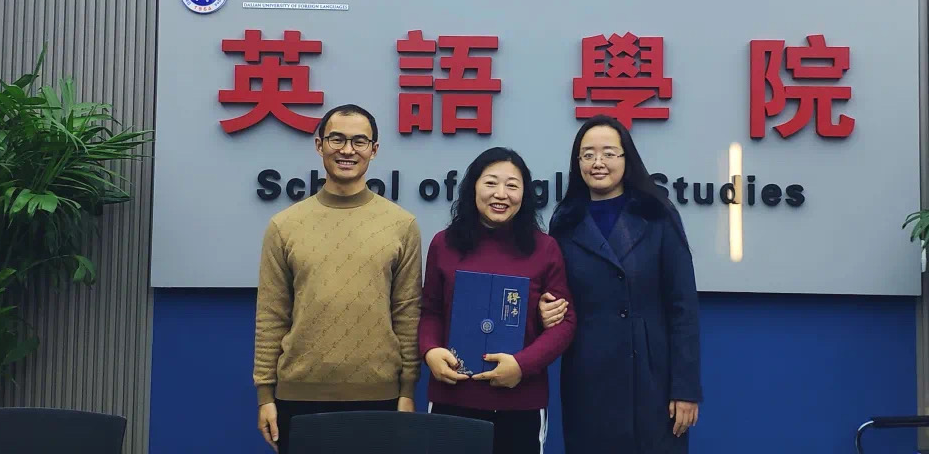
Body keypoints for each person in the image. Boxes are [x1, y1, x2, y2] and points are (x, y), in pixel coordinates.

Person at [253, 104, 422, 453]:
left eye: (359, 141)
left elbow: (407, 314)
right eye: (337, 139)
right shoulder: (284, 226)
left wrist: (407, 391)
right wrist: (265, 396)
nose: (347, 150)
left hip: (380, 396)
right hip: (299, 396)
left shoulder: (402, 225)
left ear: (374, 150)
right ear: (319, 145)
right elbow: (271, 315)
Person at [538, 115, 702, 454]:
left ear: (627, 158)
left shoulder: (658, 214)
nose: (598, 162)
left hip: (652, 376)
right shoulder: (565, 220)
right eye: (588, 154)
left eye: (609, 153)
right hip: (588, 373)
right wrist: (545, 306)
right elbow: (555, 290)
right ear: (577, 162)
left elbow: (683, 307)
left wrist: (685, 388)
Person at [418, 147, 576, 454]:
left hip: (521, 402)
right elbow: (431, 311)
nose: (501, 194)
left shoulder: (545, 248)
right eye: (490, 183)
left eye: (512, 185)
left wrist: (521, 365)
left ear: (525, 194)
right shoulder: (444, 243)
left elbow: (565, 322)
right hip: (453, 397)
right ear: (473, 187)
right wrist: (431, 351)